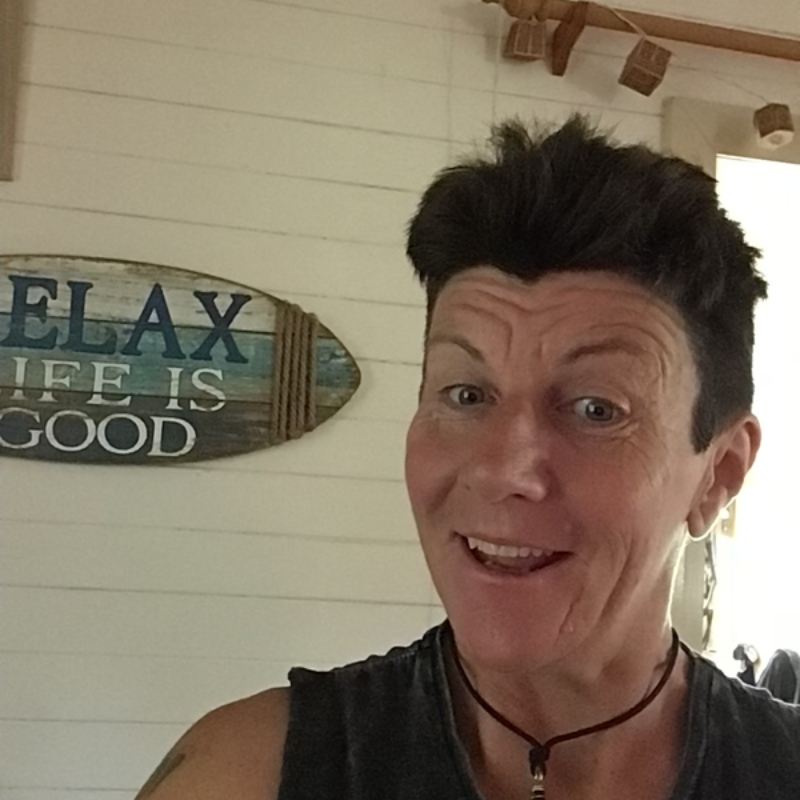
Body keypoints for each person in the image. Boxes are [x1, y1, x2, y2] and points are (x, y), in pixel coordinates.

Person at [135, 116, 800, 800]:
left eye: (596, 409)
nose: (500, 469)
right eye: (466, 394)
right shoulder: (245, 773)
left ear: (718, 474)